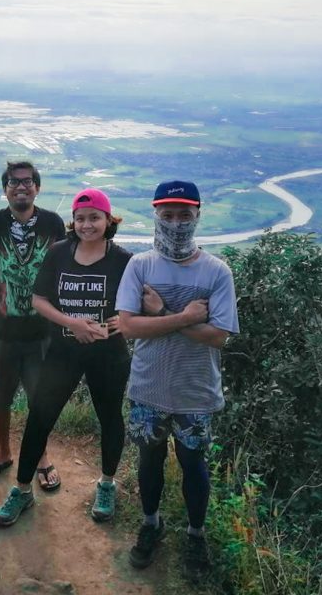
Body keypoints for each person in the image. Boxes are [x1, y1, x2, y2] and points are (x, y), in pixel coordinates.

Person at [116, 180, 240, 584]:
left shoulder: (217, 271)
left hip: (195, 392)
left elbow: (219, 336)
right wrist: (185, 316)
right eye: (167, 214)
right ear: (155, 215)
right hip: (149, 388)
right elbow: (130, 327)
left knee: (193, 464)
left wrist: (161, 314)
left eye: (184, 214)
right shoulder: (140, 265)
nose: (175, 222)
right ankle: (151, 523)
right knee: (149, 461)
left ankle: (195, 534)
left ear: (197, 215)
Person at [0, 188, 133, 526]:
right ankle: (23, 490)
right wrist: (72, 322)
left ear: (107, 220)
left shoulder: (124, 260)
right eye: (81, 218)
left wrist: (124, 321)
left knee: (110, 417)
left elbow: (138, 303)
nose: (87, 225)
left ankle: (106, 484)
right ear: (74, 221)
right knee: (40, 416)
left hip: (108, 355)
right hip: (62, 353)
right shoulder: (58, 253)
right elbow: (40, 300)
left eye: (94, 217)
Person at [0, 161, 66, 490]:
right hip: (1, 334)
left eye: (27, 181)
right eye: (14, 182)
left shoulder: (54, 224)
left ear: (37, 188)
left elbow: (62, 274)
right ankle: (3, 453)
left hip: (43, 334)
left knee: (40, 398)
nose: (21, 186)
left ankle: (41, 456)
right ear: (5, 189)